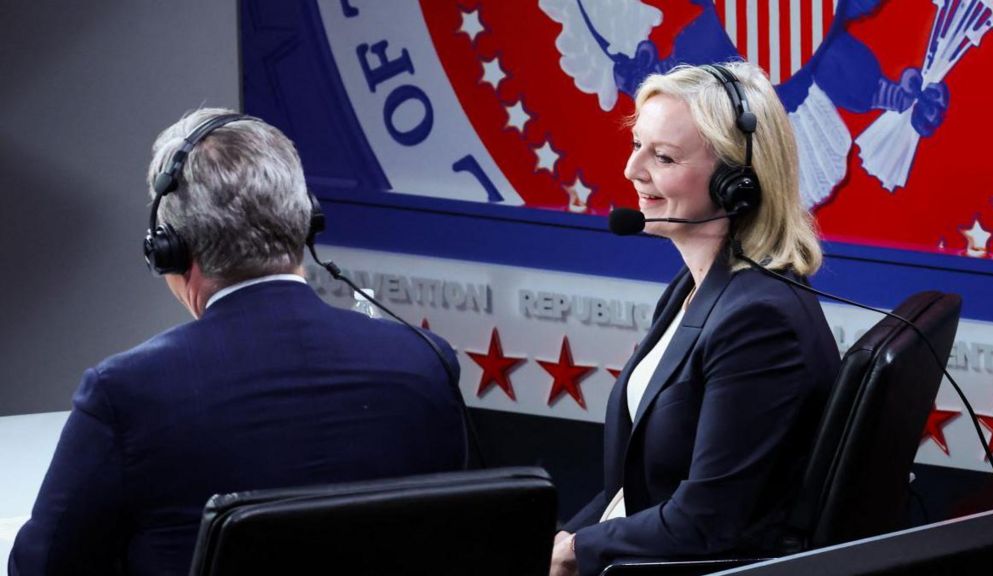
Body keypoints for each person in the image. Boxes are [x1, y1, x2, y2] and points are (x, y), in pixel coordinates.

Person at [9, 109, 466, 576]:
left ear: (169, 247)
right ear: (307, 222)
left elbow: (40, 568)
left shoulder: (126, 393)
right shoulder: (424, 363)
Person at [550, 62, 841, 576]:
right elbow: (640, 482)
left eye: (662, 156)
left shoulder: (759, 321)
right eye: (636, 144)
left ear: (738, 184)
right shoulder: (696, 287)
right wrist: (567, 541)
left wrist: (576, 552)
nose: (632, 170)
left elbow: (707, 522)